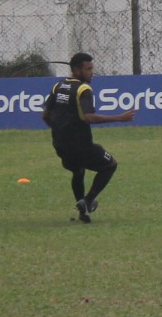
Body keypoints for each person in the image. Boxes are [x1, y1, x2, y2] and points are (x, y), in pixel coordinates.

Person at [42, 53, 135, 223]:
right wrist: (119, 117)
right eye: (88, 69)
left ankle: (83, 213)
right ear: (76, 70)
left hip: (60, 146)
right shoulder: (83, 89)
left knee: (78, 170)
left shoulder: (58, 86)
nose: (92, 72)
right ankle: (89, 200)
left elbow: (45, 115)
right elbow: (88, 117)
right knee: (110, 165)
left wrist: (58, 131)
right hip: (81, 145)